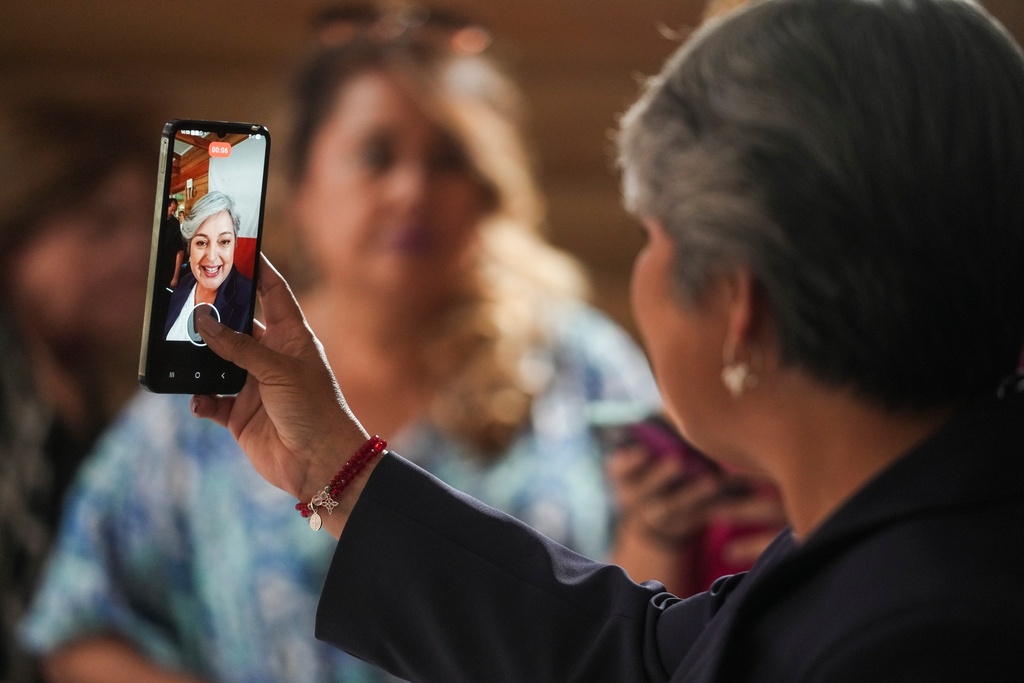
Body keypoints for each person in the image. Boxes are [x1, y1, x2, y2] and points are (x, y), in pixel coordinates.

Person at [188, 0, 1024, 680]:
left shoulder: (919, 638)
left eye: (650, 237)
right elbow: (645, 658)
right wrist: (335, 468)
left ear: (740, 303)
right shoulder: (905, 537)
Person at [20, 5, 660, 682]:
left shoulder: (581, 369)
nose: (412, 190)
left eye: (449, 159)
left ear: (487, 190)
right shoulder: (209, 392)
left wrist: (662, 533)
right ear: (301, 188)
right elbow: (81, 628)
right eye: (376, 156)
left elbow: (654, 628)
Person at [0, 101, 155, 683]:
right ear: (16, 236)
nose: (136, 253)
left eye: (145, 225)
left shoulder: (94, 395)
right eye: (102, 225)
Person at [164, 190, 253, 341]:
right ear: (189, 245)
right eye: (201, 242)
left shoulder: (251, 298)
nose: (211, 256)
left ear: (235, 244)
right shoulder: (183, 284)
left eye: (224, 241)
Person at [159, 196, 186, 289]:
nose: (173, 212)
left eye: (175, 210)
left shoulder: (174, 223)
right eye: (172, 209)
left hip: (168, 269)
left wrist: (175, 277)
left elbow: (180, 252)